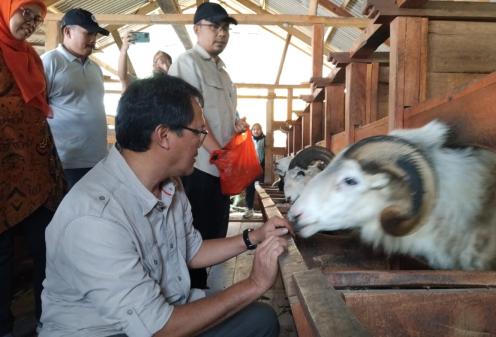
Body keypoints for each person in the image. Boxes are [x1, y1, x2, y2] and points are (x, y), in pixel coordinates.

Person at [39, 75, 292, 337]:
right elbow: (160, 329)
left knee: (260, 319)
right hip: (108, 332)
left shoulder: (170, 184)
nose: (202, 140)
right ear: (164, 136)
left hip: (164, 311)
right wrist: (254, 283)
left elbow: (191, 251)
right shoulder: (95, 217)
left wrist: (256, 236)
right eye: (198, 131)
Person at [169, 2, 248, 289]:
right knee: (195, 237)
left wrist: (236, 126)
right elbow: (194, 115)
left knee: (214, 232)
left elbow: (221, 114)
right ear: (197, 29)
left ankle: (201, 292)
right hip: (200, 167)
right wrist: (218, 151)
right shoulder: (186, 63)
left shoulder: (223, 72)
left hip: (220, 168)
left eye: (225, 28)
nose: (221, 34)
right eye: (214, 27)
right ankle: (189, 297)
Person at [0, 1, 66, 336]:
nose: (31, 22)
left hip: (36, 175)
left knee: (47, 250)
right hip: (1, 177)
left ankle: (48, 320)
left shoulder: (31, 57)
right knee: (1, 258)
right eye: (25, 12)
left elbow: (39, 111)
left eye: (37, 18)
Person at [42, 8, 109, 189]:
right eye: (88, 34)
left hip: (99, 160)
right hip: (67, 162)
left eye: (95, 34)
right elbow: (36, 110)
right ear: (67, 31)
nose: (93, 40)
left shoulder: (95, 68)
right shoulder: (50, 62)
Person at [243, 123, 265, 219]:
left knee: (262, 188)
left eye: (258, 129)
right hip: (250, 167)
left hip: (262, 167)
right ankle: (249, 209)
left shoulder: (265, 139)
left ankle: (264, 210)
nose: (256, 131)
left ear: (261, 130)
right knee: (249, 188)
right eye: (254, 129)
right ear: (251, 131)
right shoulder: (248, 139)